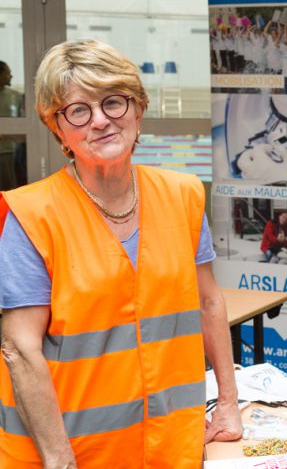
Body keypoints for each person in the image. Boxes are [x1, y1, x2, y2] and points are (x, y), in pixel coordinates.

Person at [0, 39, 242, 468]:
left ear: (137, 108)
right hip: (70, 454)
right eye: (78, 110)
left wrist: (227, 402)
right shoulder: (32, 215)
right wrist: (60, 460)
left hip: (170, 448)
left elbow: (208, 301)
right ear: (58, 129)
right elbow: (20, 348)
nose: (100, 121)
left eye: (113, 102)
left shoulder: (182, 195)